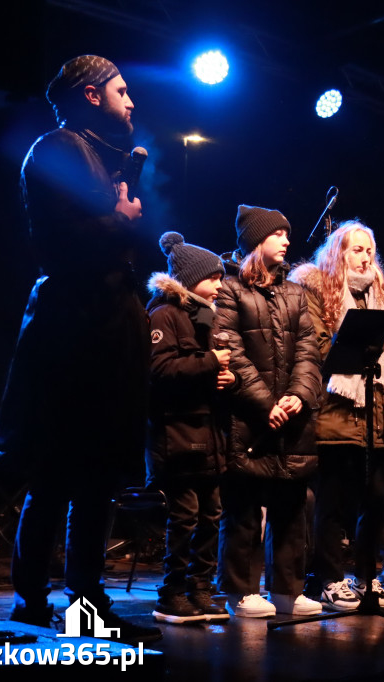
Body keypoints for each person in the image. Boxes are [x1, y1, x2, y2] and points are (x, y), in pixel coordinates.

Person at [0, 55, 160, 643]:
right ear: (91, 95)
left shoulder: (97, 151)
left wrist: (126, 215)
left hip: (107, 327)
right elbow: (64, 239)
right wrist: (122, 218)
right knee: (56, 472)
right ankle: (31, 597)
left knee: (98, 476)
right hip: (73, 329)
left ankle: (85, 596)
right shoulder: (56, 148)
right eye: (121, 89)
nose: (131, 100)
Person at [290, 220, 384, 612]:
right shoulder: (316, 289)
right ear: (339, 252)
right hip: (334, 413)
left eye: (370, 250)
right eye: (357, 249)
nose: (365, 257)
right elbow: (316, 347)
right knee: (334, 501)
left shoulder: (380, 297)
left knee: (375, 499)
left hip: (371, 416)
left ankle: (365, 576)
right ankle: (328, 578)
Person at [215, 206, 324, 618]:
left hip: (293, 420)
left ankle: (287, 591)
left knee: (292, 507)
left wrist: (299, 395)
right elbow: (230, 351)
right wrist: (265, 404)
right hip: (249, 420)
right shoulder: (230, 289)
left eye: (287, 233)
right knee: (243, 509)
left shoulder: (296, 293)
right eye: (278, 233)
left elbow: (310, 354)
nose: (287, 240)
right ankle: (241, 592)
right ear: (257, 240)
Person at [145, 232, 234, 624]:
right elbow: (159, 370)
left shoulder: (205, 317)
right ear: (191, 277)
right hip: (177, 434)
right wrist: (212, 363)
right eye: (213, 277)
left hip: (208, 433)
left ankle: (201, 588)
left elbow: (207, 370)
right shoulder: (164, 314)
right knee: (184, 515)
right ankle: (172, 592)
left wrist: (227, 379)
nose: (220, 285)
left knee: (211, 513)